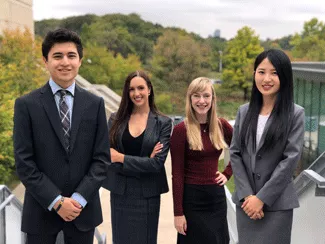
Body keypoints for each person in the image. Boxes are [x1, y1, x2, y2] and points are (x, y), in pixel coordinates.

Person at [13, 28, 110, 244]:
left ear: (80, 61)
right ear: (45, 61)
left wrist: (77, 200)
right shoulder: (26, 105)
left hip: (82, 213)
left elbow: (102, 159)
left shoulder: (95, 104)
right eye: (57, 56)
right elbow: (24, 163)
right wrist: (57, 202)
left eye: (71, 56)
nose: (65, 62)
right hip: (41, 214)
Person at [230, 49, 305, 244]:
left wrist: (261, 199)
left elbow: (290, 159)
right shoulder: (243, 111)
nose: (267, 78)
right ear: (254, 74)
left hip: (276, 205)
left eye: (274, 73)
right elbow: (235, 153)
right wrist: (248, 196)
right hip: (246, 205)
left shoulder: (295, 114)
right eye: (261, 71)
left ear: (284, 77)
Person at [102, 70, 173, 244]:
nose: (136, 93)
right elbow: (106, 157)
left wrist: (121, 158)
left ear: (149, 89)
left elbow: (156, 164)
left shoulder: (163, 123)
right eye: (131, 89)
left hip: (147, 195)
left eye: (140, 88)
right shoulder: (115, 120)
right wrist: (144, 161)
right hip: (121, 193)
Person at [170, 77, 233, 244]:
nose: (202, 101)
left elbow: (243, 150)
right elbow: (177, 174)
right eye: (196, 96)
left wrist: (228, 173)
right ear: (190, 99)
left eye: (206, 96)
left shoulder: (221, 126)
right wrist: (178, 213)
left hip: (216, 200)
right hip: (191, 202)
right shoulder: (180, 130)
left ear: (213, 98)